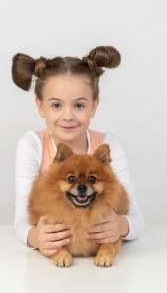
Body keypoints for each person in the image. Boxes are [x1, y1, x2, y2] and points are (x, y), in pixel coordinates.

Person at [11, 46, 144, 257]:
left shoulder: (109, 143)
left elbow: (137, 221)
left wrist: (121, 225)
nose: (68, 116)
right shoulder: (32, 144)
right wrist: (35, 236)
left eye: (79, 106)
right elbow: (21, 220)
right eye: (56, 105)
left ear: (94, 105)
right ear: (40, 106)